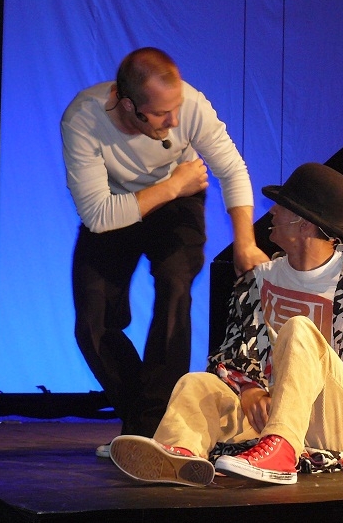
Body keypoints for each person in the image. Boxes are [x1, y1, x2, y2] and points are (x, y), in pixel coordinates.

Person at [108, 162, 343, 486]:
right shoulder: (258, 280)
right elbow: (231, 353)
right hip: (271, 413)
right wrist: (249, 389)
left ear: (304, 224)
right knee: (196, 384)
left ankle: (283, 451)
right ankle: (178, 457)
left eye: (282, 207)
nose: (272, 212)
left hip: (341, 422)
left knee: (299, 329)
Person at [61, 47, 269, 451]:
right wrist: (174, 184)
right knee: (93, 324)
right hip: (119, 206)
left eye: (176, 109)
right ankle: (146, 425)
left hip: (178, 208)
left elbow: (232, 170)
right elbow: (99, 215)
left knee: (175, 291)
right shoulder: (83, 120)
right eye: (160, 114)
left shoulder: (190, 106)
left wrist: (245, 242)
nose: (174, 121)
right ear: (128, 105)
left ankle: (151, 430)